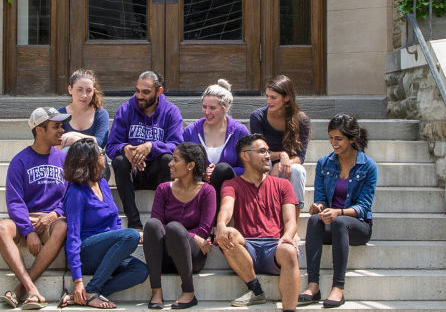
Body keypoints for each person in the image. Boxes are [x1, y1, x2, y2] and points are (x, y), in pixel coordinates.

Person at [217, 133, 306, 312]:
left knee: (289, 250)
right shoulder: (232, 184)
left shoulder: (282, 185)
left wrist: (287, 236)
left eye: (268, 151)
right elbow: (226, 209)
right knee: (228, 233)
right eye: (263, 151)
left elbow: (290, 220)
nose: (268, 156)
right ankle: (255, 289)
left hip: (274, 246)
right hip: (247, 247)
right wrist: (221, 224)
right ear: (245, 156)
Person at [0, 107, 72, 309]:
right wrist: (28, 231)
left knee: (62, 227)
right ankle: (32, 289)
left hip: (52, 219)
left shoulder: (64, 160)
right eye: (56, 126)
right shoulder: (20, 161)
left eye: (61, 126)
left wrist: (54, 214)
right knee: (0, 227)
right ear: (40, 130)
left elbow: (70, 195)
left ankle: (20, 290)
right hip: (26, 219)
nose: (62, 130)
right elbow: (14, 201)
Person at [299, 114, 377, 308]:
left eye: (339, 139)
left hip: (358, 227)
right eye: (331, 137)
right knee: (315, 220)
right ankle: (313, 285)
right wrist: (319, 207)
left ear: (352, 139)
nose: (333, 143)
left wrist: (338, 213)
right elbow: (322, 199)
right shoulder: (324, 163)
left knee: (340, 222)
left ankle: (338, 287)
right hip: (331, 223)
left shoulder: (368, 166)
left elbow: (363, 207)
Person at [61, 138, 149, 308]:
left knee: (141, 271)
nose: (104, 156)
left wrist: (122, 249)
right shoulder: (76, 192)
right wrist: (78, 280)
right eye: (101, 153)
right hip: (87, 253)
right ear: (89, 159)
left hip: (108, 250)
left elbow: (115, 220)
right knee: (131, 234)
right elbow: (72, 236)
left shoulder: (102, 183)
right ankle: (92, 289)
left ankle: (89, 295)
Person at [107, 71, 183, 231]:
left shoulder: (171, 112)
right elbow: (111, 146)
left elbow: (177, 145)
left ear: (159, 91)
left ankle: (159, 222)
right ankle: (135, 224)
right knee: (119, 161)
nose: (139, 96)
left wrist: (151, 146)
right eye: (137, 91)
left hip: (159, 174)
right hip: (132, 174)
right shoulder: (125, 110)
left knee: (167, 159)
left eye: (146, 92)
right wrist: (124, 148)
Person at [143, 142, 216, 310]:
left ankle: (189, 292)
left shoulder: (207, 191)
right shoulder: (163, 189)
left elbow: (204, 231)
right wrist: (192, 236)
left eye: (176, 160)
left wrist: (183, 234)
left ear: (190, 165)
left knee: (174, 227)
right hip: (165, 257)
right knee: (152, 224)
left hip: (192, 257)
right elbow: (158, 224)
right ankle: (156, 291)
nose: (170, 163)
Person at [182, 79, 250, 208]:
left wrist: (219, 173)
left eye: (212, 108)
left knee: (222, 169)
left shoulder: (239, 131)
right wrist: (201, 173)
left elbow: (247, 167)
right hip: (198, 188)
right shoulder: (191, 131)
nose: (207, 112)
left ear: (226, 107)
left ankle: (216, 223)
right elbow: (182, 164)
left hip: (230, 191)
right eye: (204, 107)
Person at [250, 75, 311, 211]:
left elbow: (300, 157)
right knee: (263, 166)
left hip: (286, 165)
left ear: (286, 98)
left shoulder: (302, 120)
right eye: (267, 96)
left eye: (273, 97)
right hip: (265, 160)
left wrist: (283, 163)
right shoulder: (257, 117)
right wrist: (281, 155)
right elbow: (258, 152)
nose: (268, 101)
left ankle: (293, 223)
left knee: (298, 171)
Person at [58, 69, 111, 179]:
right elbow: (56, 145)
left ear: (94, 91)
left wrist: (74, 137)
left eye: (88, 90)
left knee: (99, 155)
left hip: (93, 162)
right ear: (70, 89)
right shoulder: (60, 114)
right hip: (69, 164)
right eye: (79, 90)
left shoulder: (100, 114)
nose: (84, 95)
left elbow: (100, 142)